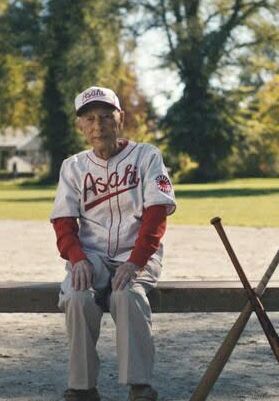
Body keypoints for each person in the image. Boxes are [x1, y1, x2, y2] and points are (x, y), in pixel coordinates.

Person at [50, 86, 176, 401]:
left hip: (136, 254)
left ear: (120, 118)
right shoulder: (73, 166)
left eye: (106, 117)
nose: (98, 125)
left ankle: (140, 386)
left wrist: (135, 261)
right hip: (89, 256)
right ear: (80, 125)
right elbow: (63, 222)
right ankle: (82, 388)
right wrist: (77, 258)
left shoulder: (147, 156)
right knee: (78, 298)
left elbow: (157, 213)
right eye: (90, 119)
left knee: (127, 295)